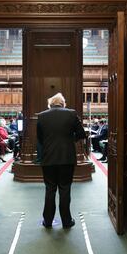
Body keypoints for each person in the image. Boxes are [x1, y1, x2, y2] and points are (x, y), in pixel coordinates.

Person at [37, 92, 86, 229]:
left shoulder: (41, 116)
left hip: (48, 158)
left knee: (50, 190)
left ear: (50, 104)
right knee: (65, 189)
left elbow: (40, 139)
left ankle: (47, 221)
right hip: (66, 158)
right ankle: (66, 221)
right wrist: (70, 140)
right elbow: (82, 134)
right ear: (63, 104)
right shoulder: (71, 114)